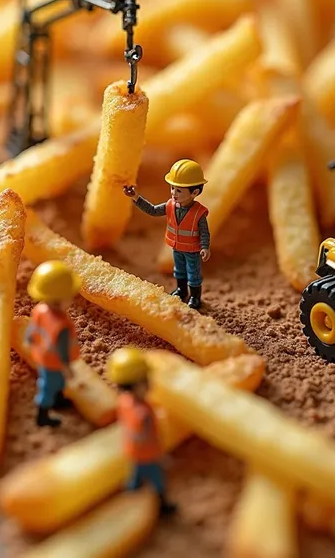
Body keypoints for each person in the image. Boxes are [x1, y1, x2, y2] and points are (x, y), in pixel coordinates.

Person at [123, 159, 210, 309]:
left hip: (192, 250)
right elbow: (153, 210)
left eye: (179, 190)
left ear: (194, 192)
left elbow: (204, 232)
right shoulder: (169, 205)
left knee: (193, 273)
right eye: (172, 188)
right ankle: (181, 291)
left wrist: (205, 247)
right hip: (176, 247)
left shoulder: (199, 213)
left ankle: (195, 297)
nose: (174, 193)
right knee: (179, 270)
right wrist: (136, 197)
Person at [106, 346, 176, 515]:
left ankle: (131, 494)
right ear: (137, 385)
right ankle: (162, 505)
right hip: (148, 455)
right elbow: (149, 437)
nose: (149, 383)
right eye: (146, 380)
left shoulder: (124, 402)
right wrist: (161, 455)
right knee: (157, 479)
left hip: (132, 451)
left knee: (135, 477)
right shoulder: (142, 414)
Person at [26, 260, 81, 427]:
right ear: (59, 300)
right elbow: (63, 351)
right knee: (49, 386)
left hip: (41, 355)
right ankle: (42, 415)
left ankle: (58, 400)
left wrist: (30, 342)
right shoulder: (61, 325)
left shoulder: (40, 310)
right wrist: (67, 368)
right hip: (54, 362)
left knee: (56, 383)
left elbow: (32, 331)